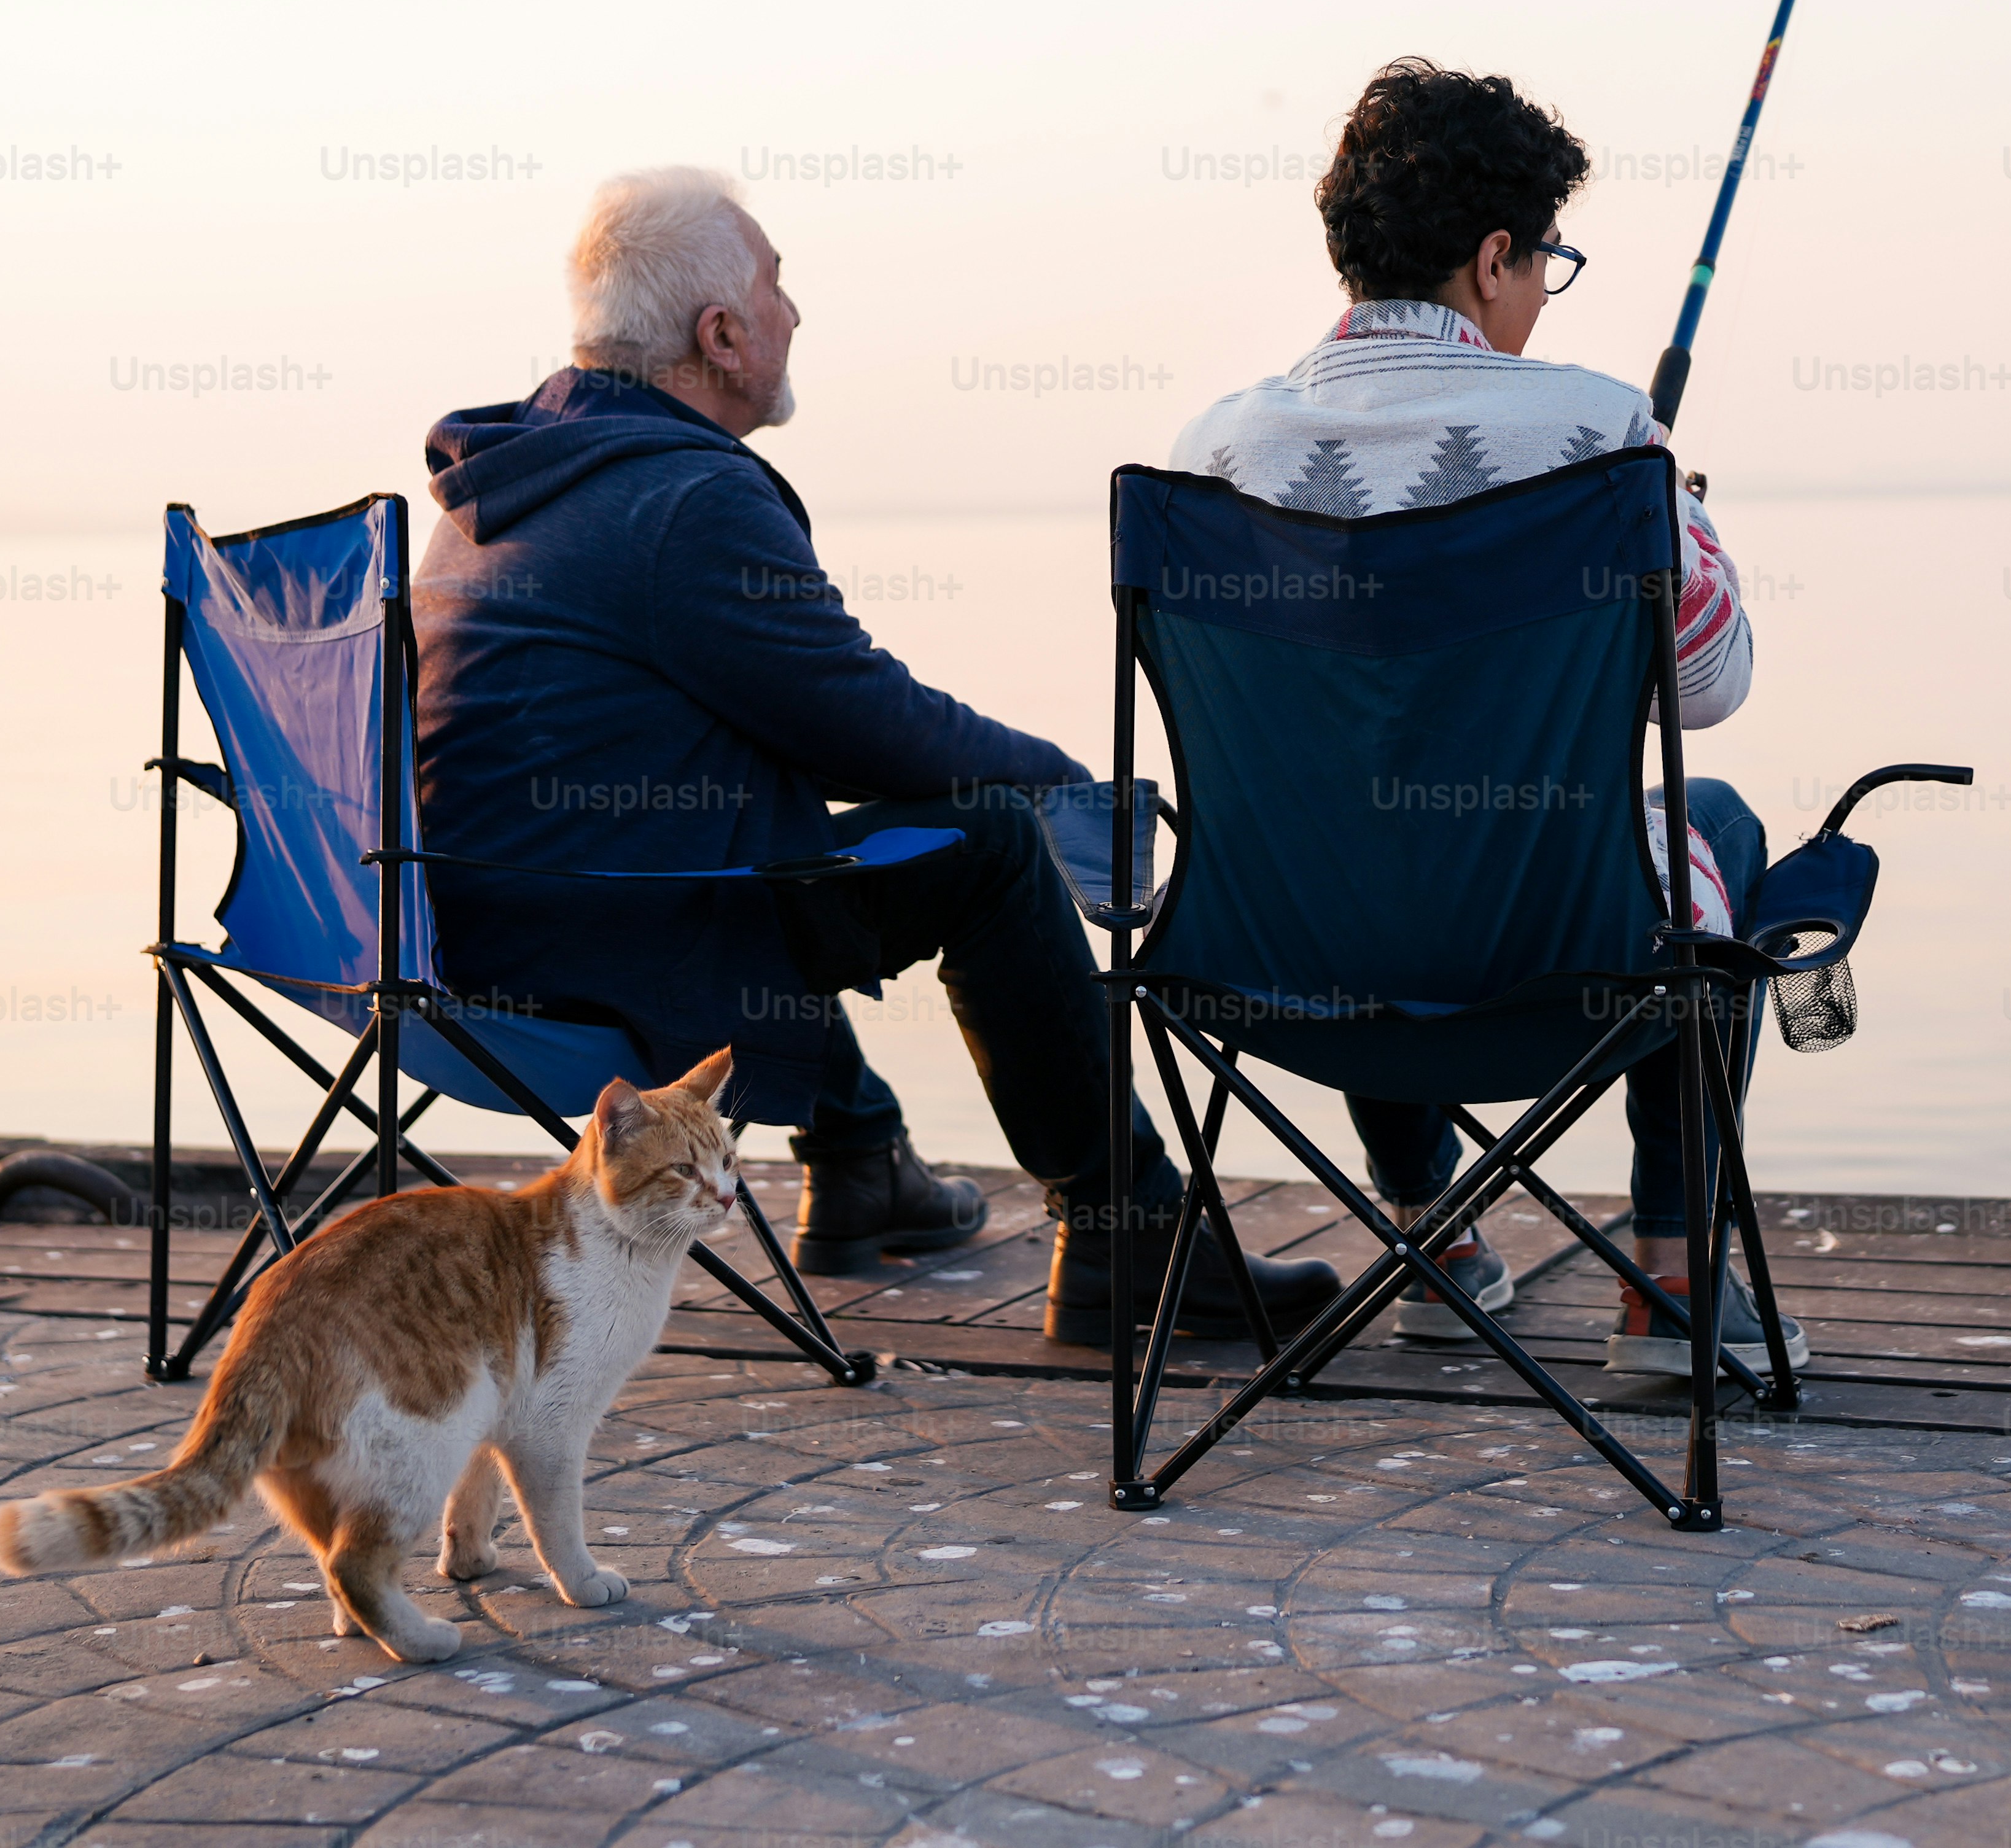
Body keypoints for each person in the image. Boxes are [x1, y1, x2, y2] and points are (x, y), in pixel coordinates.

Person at [413, 166, 1337, 1346]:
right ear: (722, 333)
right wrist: (1061, 779)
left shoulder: (504, 482)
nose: (795, 313)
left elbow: (802, 720)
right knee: (991, 845)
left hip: (466, 933)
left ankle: (858, 1159)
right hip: (613, 942)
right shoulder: (686, 501)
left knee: (753, 803)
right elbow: (865, 725)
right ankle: (1133, 1241)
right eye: (777, 285)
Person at [1166, 61, 1796, 1376]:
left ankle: (1432, 1244)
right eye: (1547, 259)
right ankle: (1672, 1292)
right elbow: (1713, 685)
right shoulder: (1601, 430)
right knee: (1716, 822)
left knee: (1343, 830)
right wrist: (1682, 509)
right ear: (1494, 254)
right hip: (1565, 956)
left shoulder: (1210, 455)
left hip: (1285, 964)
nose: (1541, 293)